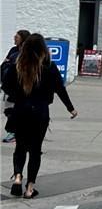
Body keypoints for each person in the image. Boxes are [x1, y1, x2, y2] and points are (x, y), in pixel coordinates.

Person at [2, 33, 77, 198]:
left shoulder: (17, 64)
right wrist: (70, 108)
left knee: (20, 147)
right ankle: (29, 189)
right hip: (40, 112)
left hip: (20, 110)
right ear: (43, 48)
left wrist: (17, 96)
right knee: (35, 150)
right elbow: (60, 88)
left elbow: (6, 86)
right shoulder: (49, 66)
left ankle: (17, 178)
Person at [2, 30, 30, 143]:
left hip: (21, 86)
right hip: (10, 85)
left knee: (17, 110)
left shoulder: (27, 52)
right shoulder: (13, 50)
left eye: (17, 37)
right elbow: (5, 63)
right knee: (8, 109)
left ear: (23, 39)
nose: (14, 38)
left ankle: (14, 132)